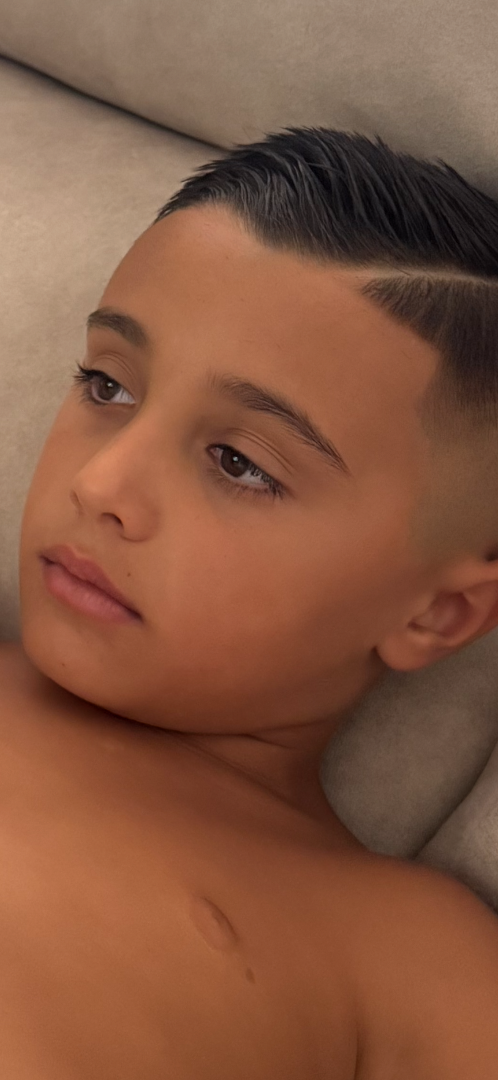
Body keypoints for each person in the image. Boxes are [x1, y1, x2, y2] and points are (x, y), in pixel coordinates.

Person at [3, 126, 498, 1078]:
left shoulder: (399, 948)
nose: (100, 484)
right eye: (106, 384)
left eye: (240, 464)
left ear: (436, 615)